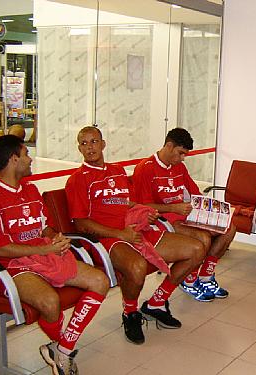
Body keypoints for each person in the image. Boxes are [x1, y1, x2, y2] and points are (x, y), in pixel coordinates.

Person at [0, 135, 109, 375]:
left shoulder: (31, 189)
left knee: (100, 280)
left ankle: (62, 349)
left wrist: (55, 236)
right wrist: (44, 249)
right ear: (14, 159)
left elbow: (43, 226)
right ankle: (60, 348)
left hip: (43, 256)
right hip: (10, 267)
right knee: (50, 302)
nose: (30, 159)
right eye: (26, 154)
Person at [65, 126, 206, 345]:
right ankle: (130, 313)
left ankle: (157, 303)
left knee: (196, 249)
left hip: (136, 229)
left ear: (103, 144)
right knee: (138, 267)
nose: (89, 147)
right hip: (107, 238)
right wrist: (120, 233)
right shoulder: (77, 180)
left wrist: (144, 213)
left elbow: (129, 203)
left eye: (94, 142)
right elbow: (82, 224)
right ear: (79, 148)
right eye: (83, 143)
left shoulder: (118, 171)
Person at [132, 128, 236, 302]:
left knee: (229, 228)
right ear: (169, 146)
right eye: (180, 153)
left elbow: (195, 194)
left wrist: (212, 210)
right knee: (203, 238)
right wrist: (174, 208)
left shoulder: (179, 166)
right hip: (162, 220)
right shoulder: (145, 168)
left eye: (184, 155)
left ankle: (205, 276)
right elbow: (142, 206)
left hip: (183, 214)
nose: (182, 158)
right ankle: (188, 280)